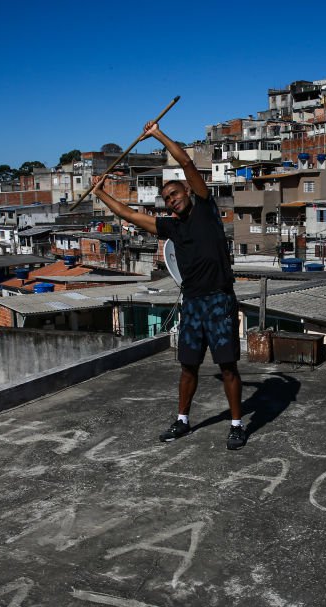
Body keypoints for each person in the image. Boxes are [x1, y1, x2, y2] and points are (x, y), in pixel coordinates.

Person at [91, 121, 247, 450]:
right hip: (192, 304)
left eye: (174, 194)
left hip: (219, 300)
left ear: (187, 192)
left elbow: (187, 163)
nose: (171, 200)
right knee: (188, 367)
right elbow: (130, 216)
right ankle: (183, 421)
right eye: (166, 199)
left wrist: (157, 134)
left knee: (228, 367)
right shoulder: (172, 228)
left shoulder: (205, 207)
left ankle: (236, 424)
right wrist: (101, 192)